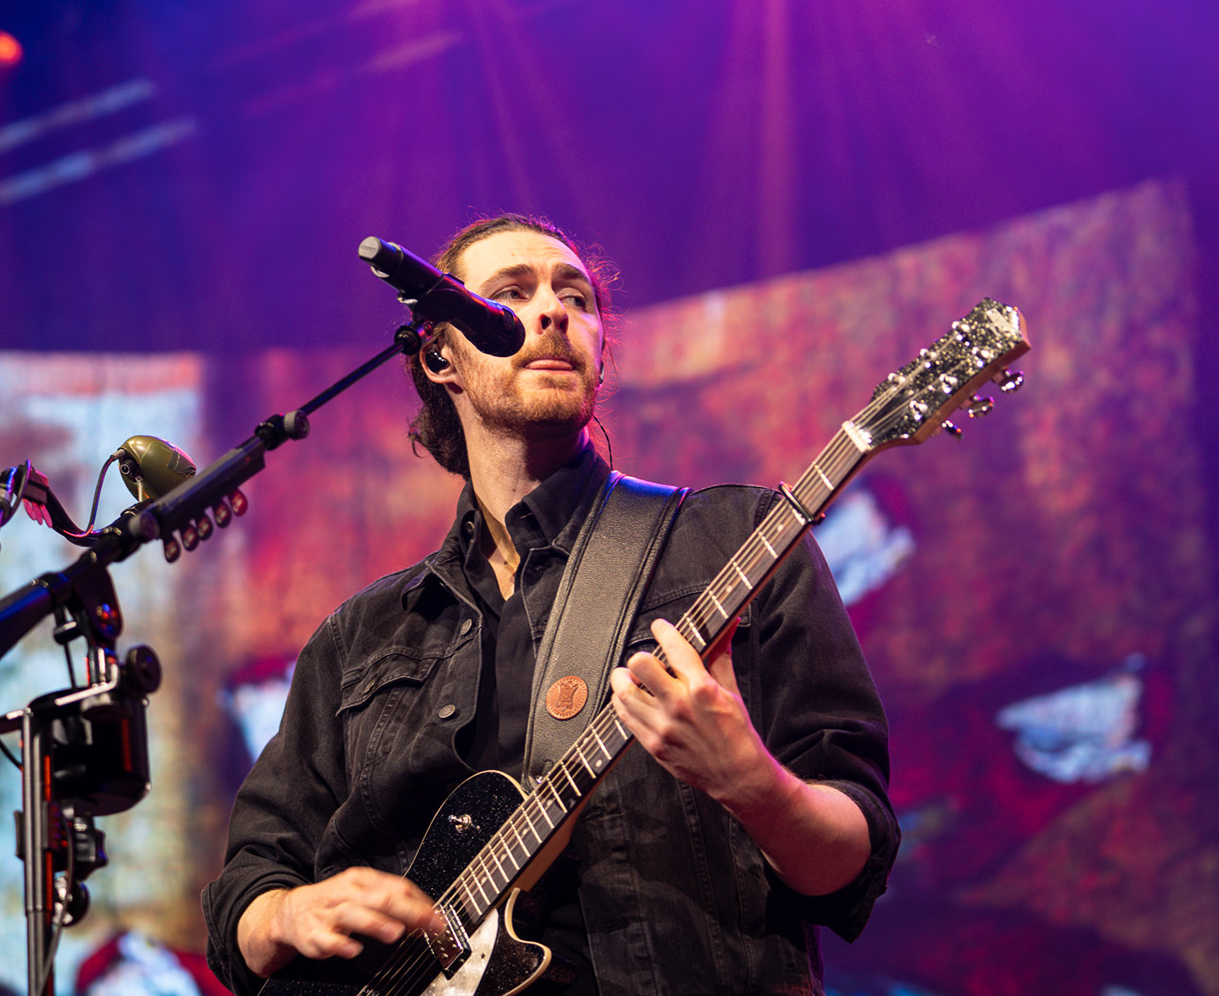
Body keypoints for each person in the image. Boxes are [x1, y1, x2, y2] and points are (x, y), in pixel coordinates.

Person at [202, 214, 898, 995]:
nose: (553, 312)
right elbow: (246, 893)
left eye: (576, 297)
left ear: (600, 351)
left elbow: (852, 866)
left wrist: (751, 783)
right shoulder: (360, 636)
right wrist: (284, 914)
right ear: (439, 355)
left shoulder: (737, 542)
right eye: (510, 294)